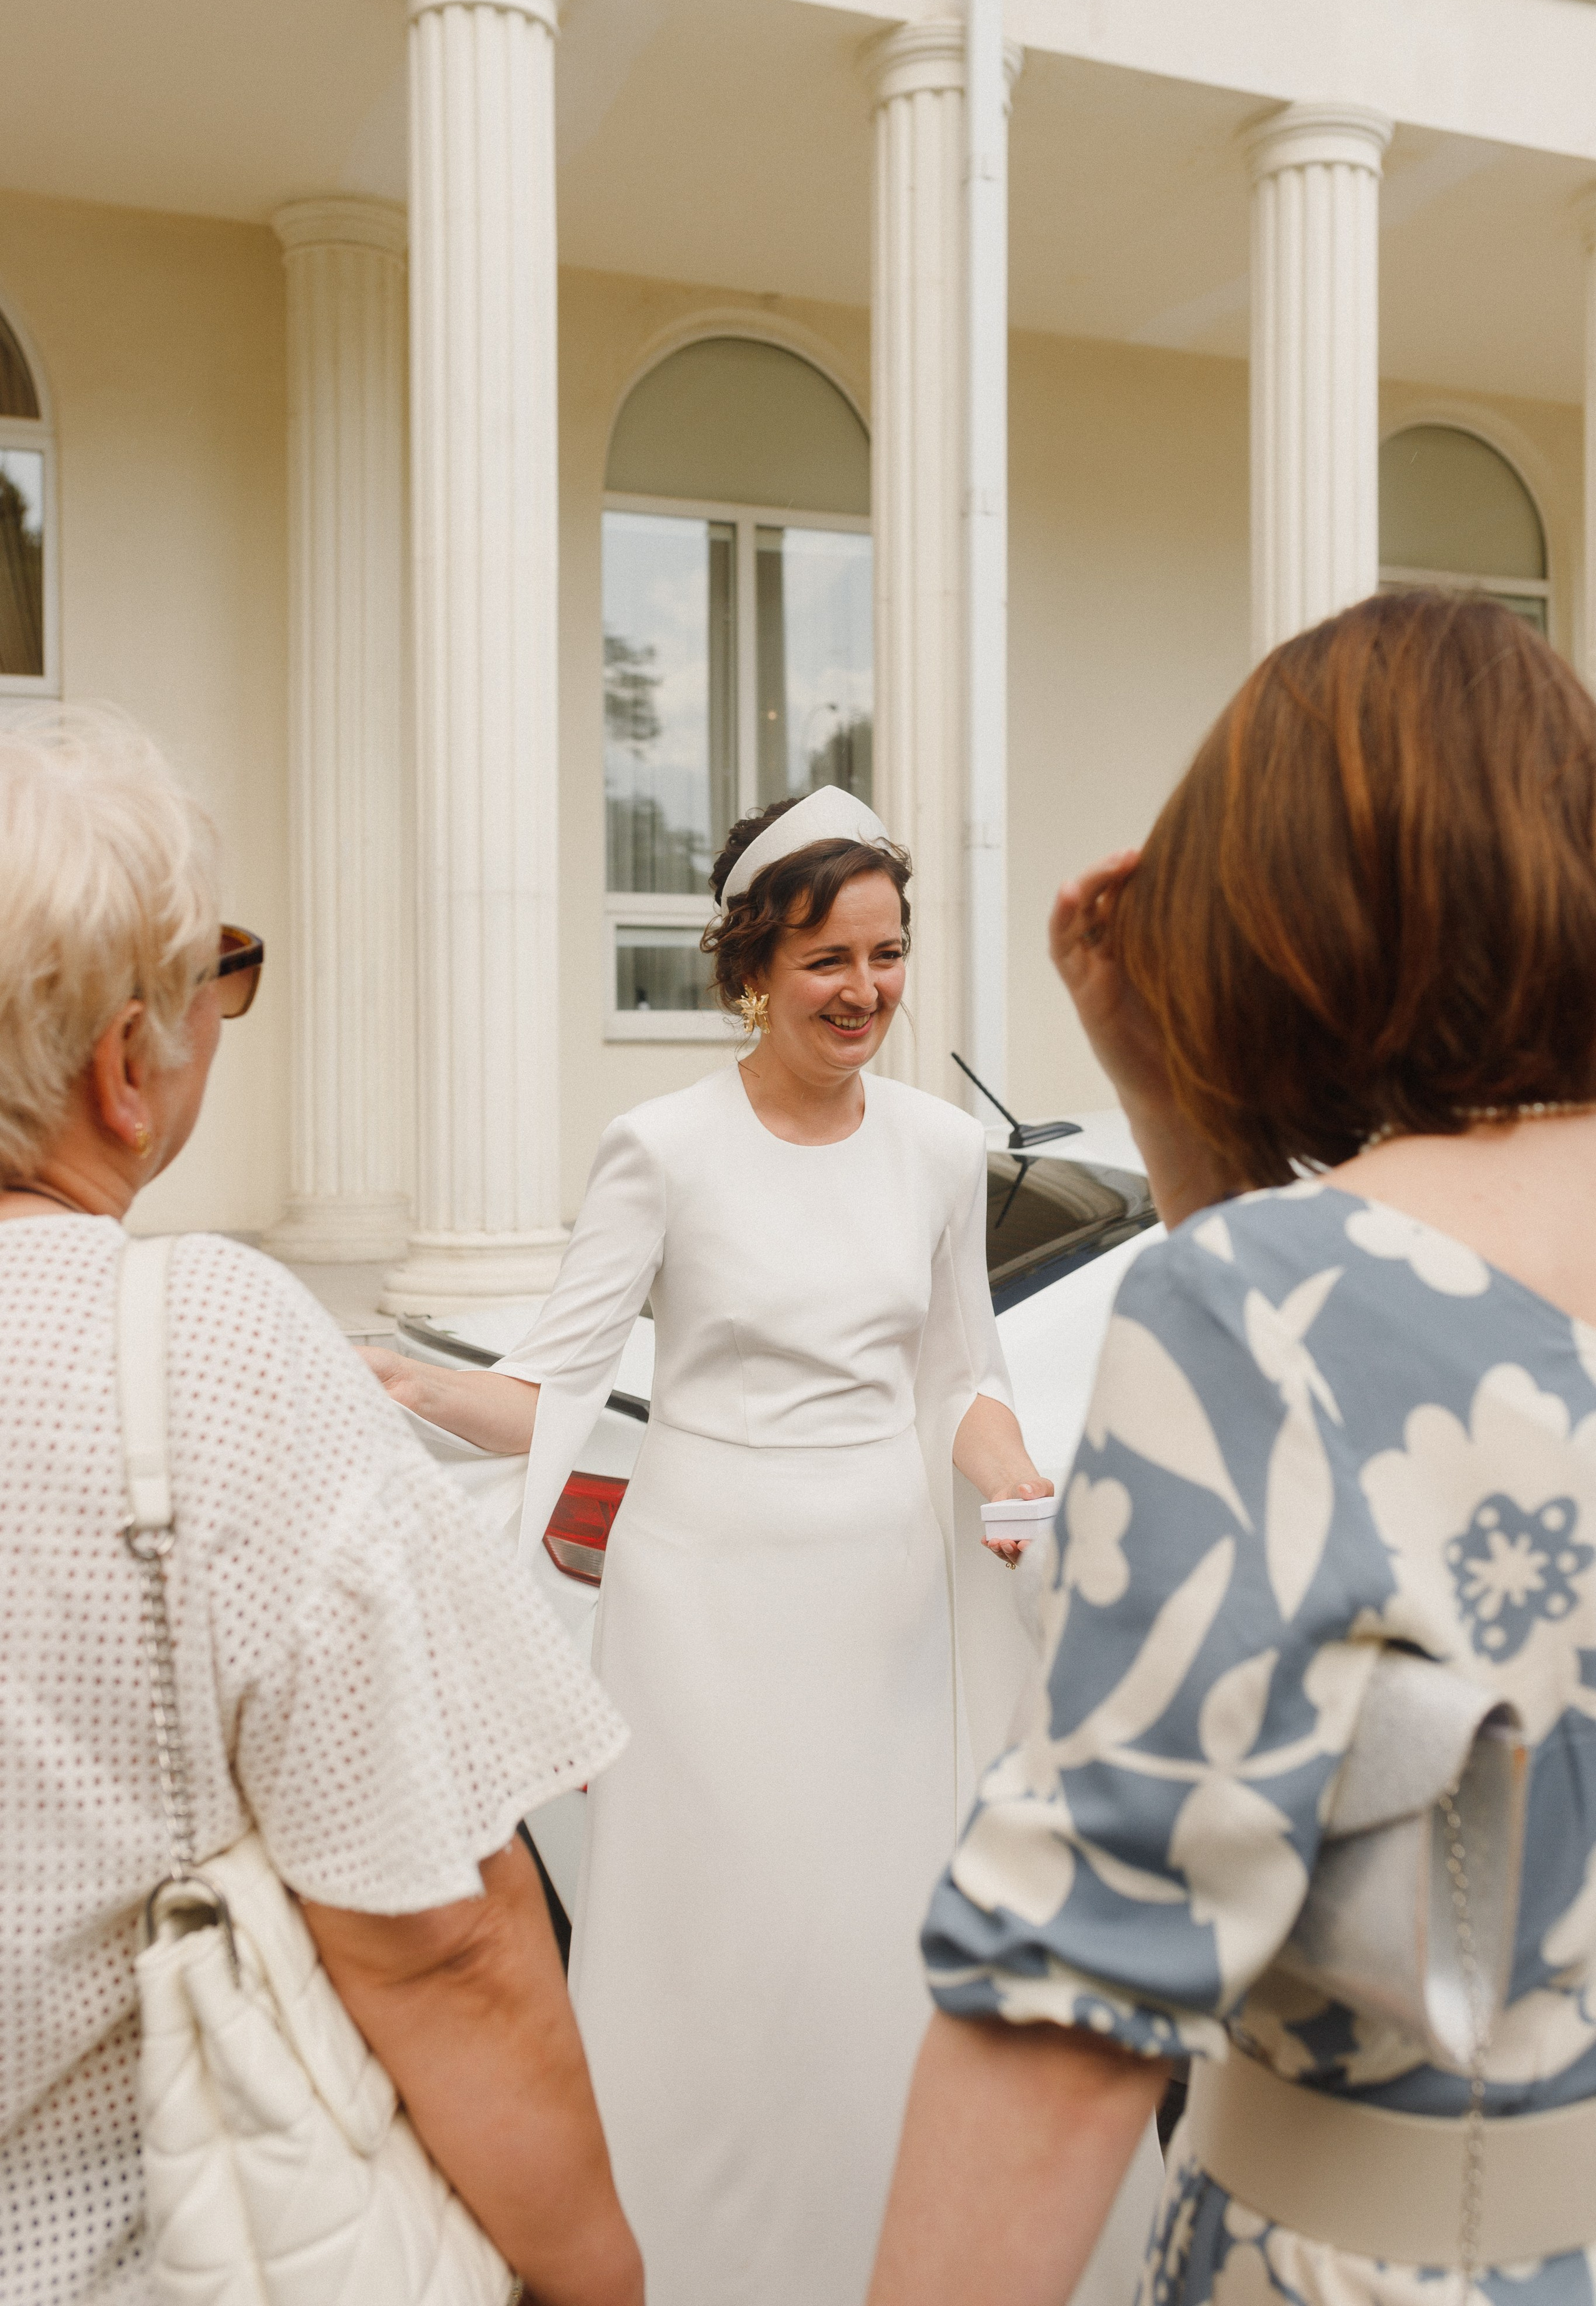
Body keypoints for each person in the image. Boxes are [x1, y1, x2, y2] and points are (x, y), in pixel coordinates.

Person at [866, 591, 1596, 2306]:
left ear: (1281, 917)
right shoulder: (1292, 1299)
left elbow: (1071, 2016)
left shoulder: (1270, 1310)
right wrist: (1188, 1143)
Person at [361, 787, 1054, 2306]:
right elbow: (548, 1387)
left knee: (871, 1939)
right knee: (719, 1950)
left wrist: (1008, 1479)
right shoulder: (660, 1150)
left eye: (887, 954)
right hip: (704, 1608)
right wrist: (404, 1387)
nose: (864, 991)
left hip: (884, 1608)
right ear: (750, 967)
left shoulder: (938, 1152)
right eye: (826, 961)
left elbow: (960, 1370)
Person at [0, 704, 642, 2306]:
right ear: (121, 1072)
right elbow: (443, 1936)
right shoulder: (199, 1348)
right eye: (209, 983)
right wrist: (598, 2280)